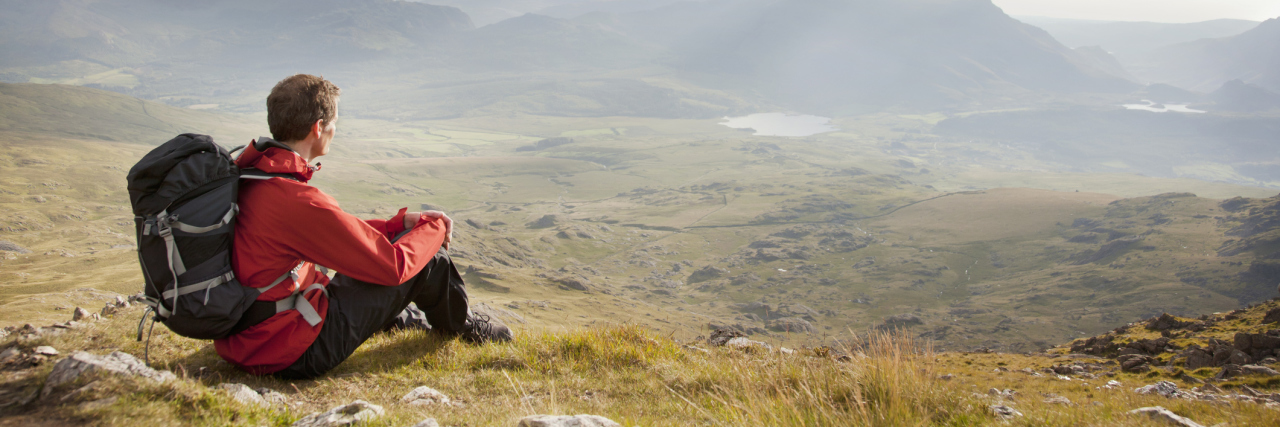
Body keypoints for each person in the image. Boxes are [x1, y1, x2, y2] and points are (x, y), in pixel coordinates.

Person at [213, 74, 511, 379]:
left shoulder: (251, 174)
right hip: (290, 350)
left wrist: (398, 225)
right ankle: (462, 325)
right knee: (430, 260)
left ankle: (400, 316)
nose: (334, 130)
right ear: (318, 128)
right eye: (334, 123)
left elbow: (336, 233)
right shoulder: (296, 199)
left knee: (368, 260)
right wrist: (432, 228)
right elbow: (393, 266)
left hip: (244, 338)